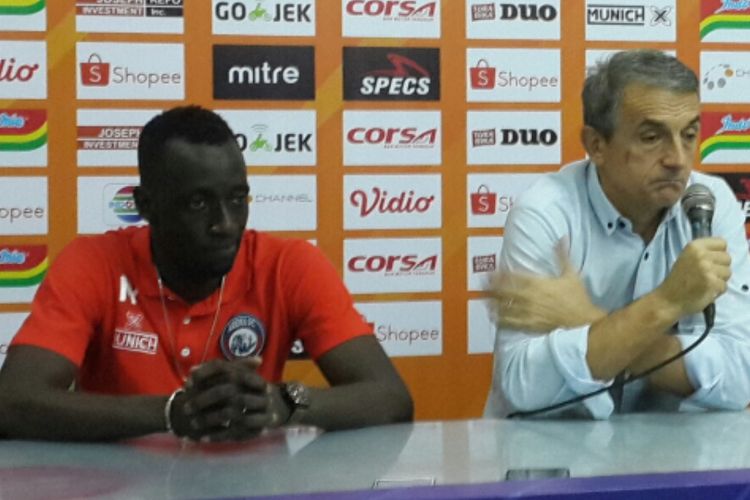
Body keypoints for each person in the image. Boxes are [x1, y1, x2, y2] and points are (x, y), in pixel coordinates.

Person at [0, 106, 413, 441]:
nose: (226, 223)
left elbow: (391, 399)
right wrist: (173, 412)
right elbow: (11, 403)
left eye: (237, 199)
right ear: (146, 205)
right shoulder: (94, 263)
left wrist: (284, 403)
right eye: (199, 204)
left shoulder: (290, 264)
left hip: (256, 489)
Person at [484, 49, 750, 419]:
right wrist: (667, 303)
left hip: (672, 453)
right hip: (551, 452)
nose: (678, 159)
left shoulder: (709, 204)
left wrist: (586, 319)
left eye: (689, 134)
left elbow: (738, 380)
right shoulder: (545, 213)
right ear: (596, 145)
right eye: (651, 137)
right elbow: (523, 387)